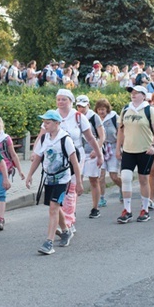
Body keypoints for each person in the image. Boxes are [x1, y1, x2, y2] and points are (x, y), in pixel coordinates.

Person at [46, 89, 100, 244]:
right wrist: (36, 153)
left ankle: (68, 222)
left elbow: (89, 137)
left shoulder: (78, 116)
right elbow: (43, 135)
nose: (60, 102)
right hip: (56, 159)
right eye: (58, 99)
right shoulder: (52, 114)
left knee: (70, 190)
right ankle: (66, 221)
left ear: (70, 101)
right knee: (59, 189)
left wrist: (99, 154)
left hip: (76, 155)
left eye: (64, 99)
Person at [25, 110, 83, 255]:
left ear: (57, 123)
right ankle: (66, 231)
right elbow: (38, 157)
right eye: (44, 122)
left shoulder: (65, 139)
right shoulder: (45, 139)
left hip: (62, 179)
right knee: (54, 206)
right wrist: (30, 175)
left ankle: (49, 242)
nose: (45, 125)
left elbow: (75, 162)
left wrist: (79, 182)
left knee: (53, 207)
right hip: (49, 178)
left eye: (48, 122)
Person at [116, 85, 154, 224]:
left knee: (143, 179)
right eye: (132, 93)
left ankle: (145, 209)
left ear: (143, 95)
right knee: (126, 177)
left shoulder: (149, 110)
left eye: (136, 93)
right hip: (128, 150)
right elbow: (121, 130)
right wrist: (118, 148)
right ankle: (127, 210)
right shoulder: (125, 109)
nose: (133, 95)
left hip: (145, 150)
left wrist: (153, 145)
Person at [0, 116, 24, 231]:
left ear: (0, 127)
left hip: (5, 168)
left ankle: (0, 218)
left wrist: (20, 170)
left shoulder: (6, 139)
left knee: (1, 193)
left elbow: (13, 155)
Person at [75, 95, 106, 219]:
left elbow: (102, 136)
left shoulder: (94, 117)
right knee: (77, 180)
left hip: (92, 153)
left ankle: (95, 207)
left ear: (88, 105)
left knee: (94, 180)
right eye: (79, 106)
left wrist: (97, 149)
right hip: (79, 153)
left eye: (83, 106)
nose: (81, 109)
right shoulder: (75, 117)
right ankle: (72, 209)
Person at [95, 98, 122, 208]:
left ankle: (122, 188)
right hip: (101, 148)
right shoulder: (95, 119)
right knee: (100, 175)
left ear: (107, 109)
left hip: (113, 146)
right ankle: (101, 198)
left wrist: (120, 148)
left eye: (103, 109)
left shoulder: (114, 117)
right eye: (99, 109)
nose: (101, 111)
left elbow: (121, 132)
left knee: (113, 176)